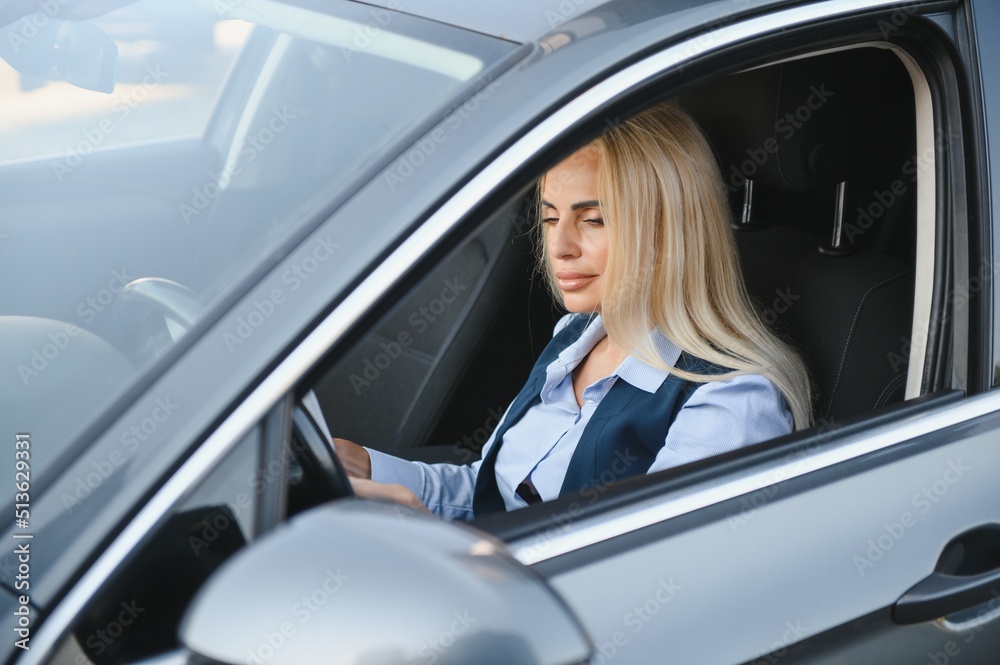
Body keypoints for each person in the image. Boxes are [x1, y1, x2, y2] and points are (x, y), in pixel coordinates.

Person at [332, 101, 812, 520]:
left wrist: (434, 540)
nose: (558, 246)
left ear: (669, 231)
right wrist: (369, 467)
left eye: (595, 220)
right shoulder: (575, 337)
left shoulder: (728, 403)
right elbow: (489, 496)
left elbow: (634, 580)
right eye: (549, 217)